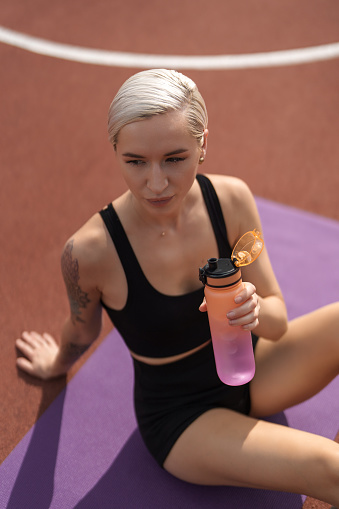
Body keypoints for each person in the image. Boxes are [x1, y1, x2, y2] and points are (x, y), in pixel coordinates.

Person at [15, 69, 339, 506]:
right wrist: (56, 362)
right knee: (330, 468)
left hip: (256, 369)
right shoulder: (89, 252)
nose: (156, 183)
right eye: (135, 161)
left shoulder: (231, 200)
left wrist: (255, 308)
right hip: (183, 416)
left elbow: (278, 323)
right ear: (114, 150)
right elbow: (81, 331)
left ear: (204, 143)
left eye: (174, 158)